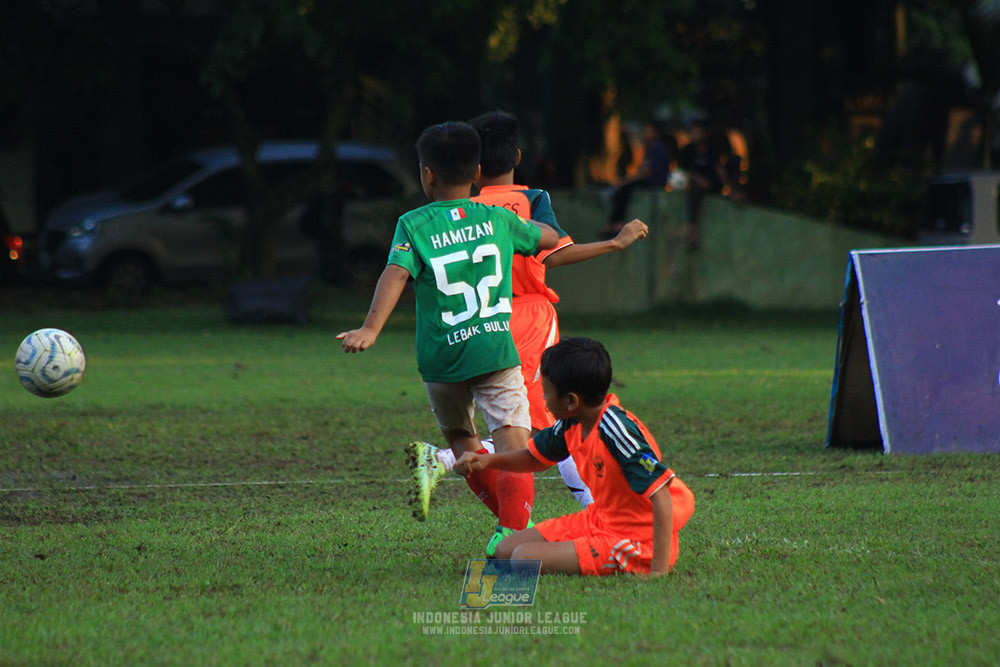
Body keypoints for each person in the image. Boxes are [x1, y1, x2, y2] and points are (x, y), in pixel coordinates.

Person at [408, 110, 649, 514]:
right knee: (547, 422)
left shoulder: (462, 205)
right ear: (517, 157)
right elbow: (554, 254)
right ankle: (446, 460)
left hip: (473, 319)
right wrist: (614, 244)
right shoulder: (531, 200)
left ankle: (574, 507)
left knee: (529, 421)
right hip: (526, 319)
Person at [337, 121, 559, 557]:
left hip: (441, 360)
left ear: (426, 175)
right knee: (514, 445)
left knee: (463, 442)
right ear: (479, 172)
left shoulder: (412, 223)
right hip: (494, 350)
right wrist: (539, 232)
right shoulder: (498, 217)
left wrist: (370, 329)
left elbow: (396, 272)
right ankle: (512, 531)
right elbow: (545, 239)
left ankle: (512, 527)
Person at [454, 337, 695, 577]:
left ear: (571, 401)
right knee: (505, 548)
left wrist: (658, 571)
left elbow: (661, 495)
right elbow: (535, 458)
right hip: (599, 520)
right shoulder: (572, 424)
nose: (545, 404)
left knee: (522, 558)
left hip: (635, 540)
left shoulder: (616, 431)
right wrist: (488, 461)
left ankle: (632, 560)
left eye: (546, 394)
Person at [601, 122, 671, 237]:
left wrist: (628, 181)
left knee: (625, 189)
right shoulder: (650, 148)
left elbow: (648, 171)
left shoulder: (657, 148)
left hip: (654, 182)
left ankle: (617, 223)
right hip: (650, 180)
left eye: (648, 131)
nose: (645, 134)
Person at [677, 121, 733, 251]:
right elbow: (685, 168)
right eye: (692, 132)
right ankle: (692, 230)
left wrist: (729, 187)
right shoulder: (688, 149)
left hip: (711, 183)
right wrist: (698, 179)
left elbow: (719, 168)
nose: (694, 135)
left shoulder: (712, 149)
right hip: (694, 185)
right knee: (694, 192)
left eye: (697, 132)